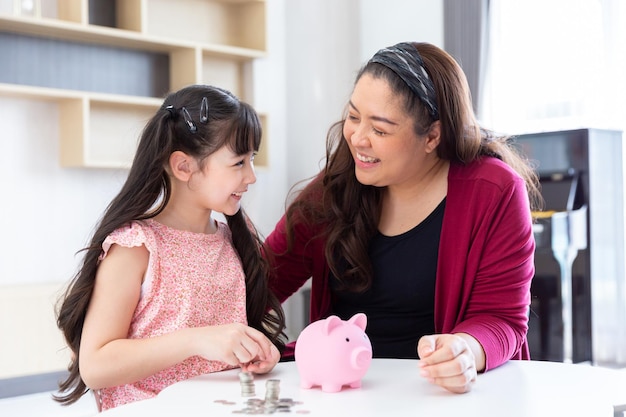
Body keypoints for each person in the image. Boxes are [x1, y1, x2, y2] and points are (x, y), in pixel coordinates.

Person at [264, 42, 541, 394]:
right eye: (353, 117)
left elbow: (502, 319)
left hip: (436, 393)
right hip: (341, 392)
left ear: (432, 136)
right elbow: (264, 277)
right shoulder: (337, 185)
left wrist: (465, 351)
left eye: (380, 130)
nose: (357, 139)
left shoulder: (493, 191)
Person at [54, 85, 286, 411]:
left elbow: (228, 341)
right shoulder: (136, 246)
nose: (251, 176)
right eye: (238, 162)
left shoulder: (234, 237)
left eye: (252, 159)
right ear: (183, 166)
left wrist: (256, 350)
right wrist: (198, 340)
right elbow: (94, 367)